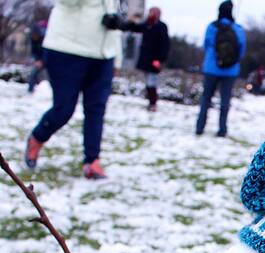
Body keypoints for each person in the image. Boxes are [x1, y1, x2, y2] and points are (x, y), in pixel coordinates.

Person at [24, 0, 123, 179]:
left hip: (103, 55)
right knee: (64, 109)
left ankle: (92, 161)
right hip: (66, 50)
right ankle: (37, 138)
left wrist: (116, 57)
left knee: (96, 109)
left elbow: (112, 15)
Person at [195, 1, 246, 137]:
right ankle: (222, 129)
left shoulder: (211, 27)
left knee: (206, 98)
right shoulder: (238, 29)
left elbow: (206, 45)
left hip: (211, 68)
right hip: (230, 71)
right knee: (225, 100)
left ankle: (200, 127)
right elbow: (241, 50)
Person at [124, 7, 169, 112]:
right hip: (146, 59)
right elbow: (136, 28)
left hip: (155, 59)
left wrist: (160, 59)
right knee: (148, 82)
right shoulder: (147, 24)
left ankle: (153, 104)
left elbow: (165, 44)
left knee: (151, 82)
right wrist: (131, 21)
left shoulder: (161, 27)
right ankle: (150, 102)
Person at [27, 11, 48, 94]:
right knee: (33, 74)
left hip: (50, 57)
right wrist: (37, 60)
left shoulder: (46, 38)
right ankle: (30, 91)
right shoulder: (34, 39)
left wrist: (44, 60)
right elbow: (34, 50)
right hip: (40, 59)